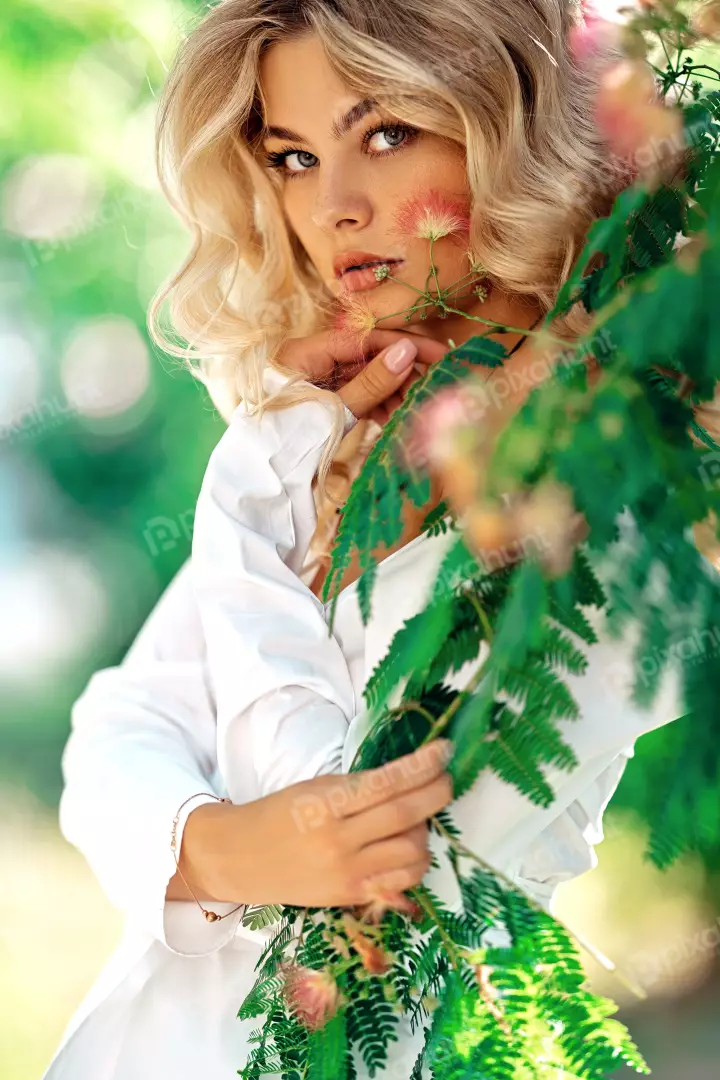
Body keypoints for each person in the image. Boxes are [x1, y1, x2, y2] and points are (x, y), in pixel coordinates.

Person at [43, 2, 686, 1078]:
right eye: (292, 156)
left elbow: (413, 840)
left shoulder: (628, 484)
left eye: (384, 133)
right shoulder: (310, 440)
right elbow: (117, 728)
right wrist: (222, 848)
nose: (332, 208)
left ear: (510, 127)